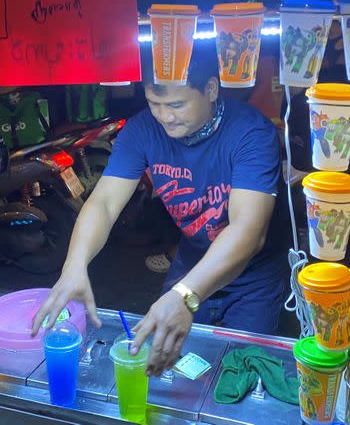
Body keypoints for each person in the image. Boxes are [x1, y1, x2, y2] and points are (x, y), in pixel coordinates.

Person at [32, 56, 290, 377]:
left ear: (210, 90)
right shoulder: (143, 130)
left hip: (254, 278)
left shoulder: (251, 132)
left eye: (177, 104)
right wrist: (74, 265)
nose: (165, 117)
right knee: (176, 371)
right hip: (192, 265)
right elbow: (105, 203)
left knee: (242, 374)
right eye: (155, 103)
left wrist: (185, 296)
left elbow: (249, 230)